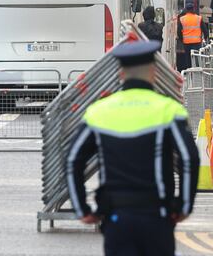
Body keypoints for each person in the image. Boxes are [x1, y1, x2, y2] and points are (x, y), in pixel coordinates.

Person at [66, 40, 199, 256]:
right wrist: (184, 206)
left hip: (116, 216)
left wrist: (82, 209)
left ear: (121, 73)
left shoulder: (98, 111)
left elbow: (73, 160)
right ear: (154, 73)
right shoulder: (169, 110)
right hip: (157, 214)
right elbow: (189, 158)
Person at [176, 4, 207, 71]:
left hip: (186, 43)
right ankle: (197, 74)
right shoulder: (199, 18)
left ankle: (190, 73)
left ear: (186, 10)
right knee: (196, 60)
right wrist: (204, 38)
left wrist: (182, 40)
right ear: (193, 9)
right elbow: (205, 30)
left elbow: (179, 32)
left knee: (188, 60)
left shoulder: (182, 19)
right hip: (197, 43)